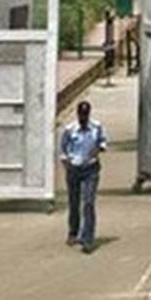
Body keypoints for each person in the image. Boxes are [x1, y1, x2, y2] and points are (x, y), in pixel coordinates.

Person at [59, 100, 108, 252]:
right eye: (81, 115)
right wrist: (67, 164)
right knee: (74, 202)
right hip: (74, 168)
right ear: (77, 114)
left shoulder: (97, 127)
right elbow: (63, 150)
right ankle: (73, 232)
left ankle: (88, 239)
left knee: (88, 202)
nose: (83, 118)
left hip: (91, 169)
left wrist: (98, 149)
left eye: (85, 115)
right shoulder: (70, 130)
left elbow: (103, 142)